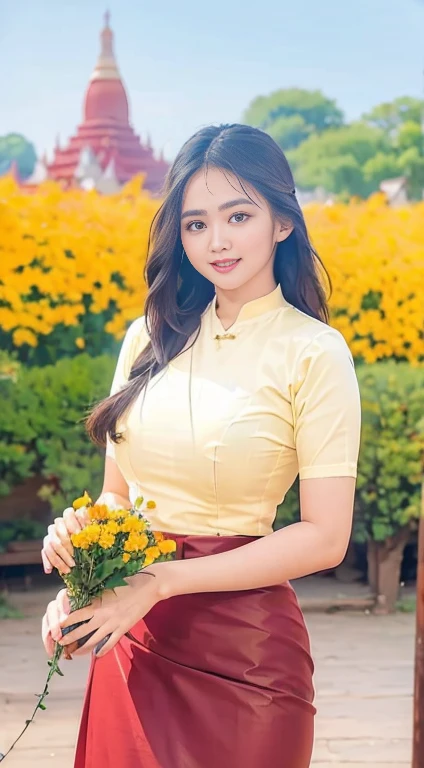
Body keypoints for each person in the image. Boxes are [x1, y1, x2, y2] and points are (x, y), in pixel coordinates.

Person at [41, 123, 361, 768]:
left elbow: (326, 537)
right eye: (195, 224)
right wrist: (81, 568)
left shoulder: (315, 353)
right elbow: (118, 496)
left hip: (246, 657)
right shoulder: (147, 339)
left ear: (282, 222)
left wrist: (159, 581)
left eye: (238, 215)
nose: (216, 241)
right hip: (133, 636)